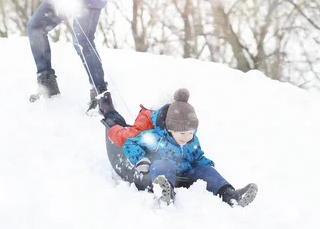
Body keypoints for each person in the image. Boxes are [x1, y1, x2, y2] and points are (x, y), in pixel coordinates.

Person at [108, 88, 258, 207]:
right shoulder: (155, 137)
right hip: (163, 170)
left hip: (186, 173)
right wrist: (142, 160)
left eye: (190, 132)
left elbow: (197, 156)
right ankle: (166, 192)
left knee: (205, 170)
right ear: (170, 128)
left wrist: (209, 169)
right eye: (182, 133)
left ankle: (230, 195)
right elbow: (130, 143)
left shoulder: (192, 140)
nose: (187, 137)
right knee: (161, 165)